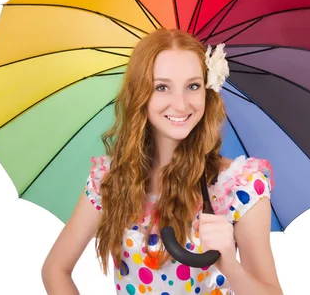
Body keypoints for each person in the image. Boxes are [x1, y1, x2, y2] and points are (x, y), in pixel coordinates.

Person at [41, 28, 283, 295]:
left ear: (207, 91)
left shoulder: (239, 187)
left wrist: (229, 262)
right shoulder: (112, 179)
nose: (180, 105)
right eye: (162, 87)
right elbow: (55, 269)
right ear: (140, 94)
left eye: (193, 86)